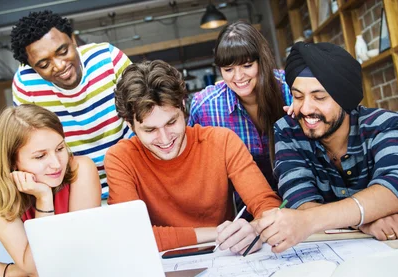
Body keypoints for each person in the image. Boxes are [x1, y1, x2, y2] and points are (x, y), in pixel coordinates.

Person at [255, 42, 398, 253]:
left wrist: (314, 219)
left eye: (319, 97)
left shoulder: (383, 124)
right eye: (298, 97)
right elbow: (300, 203)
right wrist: (366, 221)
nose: (306, 108)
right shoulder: (288, 131)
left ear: (344, 99)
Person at [105, 60, 282, 253]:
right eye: (150, 129)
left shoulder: (222, 142)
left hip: (225, 259)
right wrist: (218, 233)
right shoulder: (120, 158)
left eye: (171, 122)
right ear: (130, 126)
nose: (165, 139)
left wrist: (254, 229)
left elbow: (268, 206)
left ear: (182, 105)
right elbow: (130, 236)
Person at [10, 10, 132, 197]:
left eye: (63, 51)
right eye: (43, 65)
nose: (59, 66)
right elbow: (32, 145)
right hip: (75, 187)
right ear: (31, 66)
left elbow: (142, 115)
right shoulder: (26, 84)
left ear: (73, 40)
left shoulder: (107, 58)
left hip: (130, 175)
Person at [0, 104, 101, 277]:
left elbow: (79, 256)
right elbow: (37, 267)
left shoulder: (81, 169)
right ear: (12, 161)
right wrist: (44, 198)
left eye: (60, 148)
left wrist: (11, 271)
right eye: (40, 156)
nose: (57, 164)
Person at [189, 21, 291, 191]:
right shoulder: (205, 106)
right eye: (228, 69)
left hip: (301, 193)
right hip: (242, 204)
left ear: (261, 61)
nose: (238, 77)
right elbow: (194, 164)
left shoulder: (290, 89)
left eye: (247, 65)